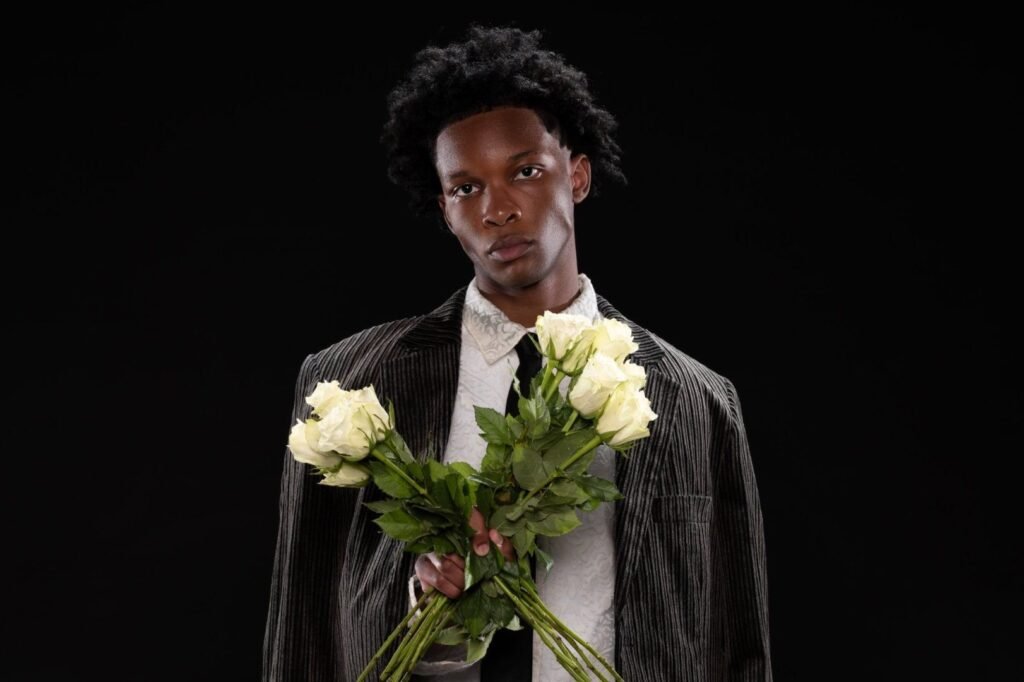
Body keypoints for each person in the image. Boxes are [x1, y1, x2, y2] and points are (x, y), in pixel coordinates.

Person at [262, 23, 772, 682]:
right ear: (445, 210)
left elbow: (738, 648)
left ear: (577, 176)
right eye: (465, 188)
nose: (497, 209)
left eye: (525, 171)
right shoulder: (350, 387)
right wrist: (425, 600)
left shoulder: (696, 399)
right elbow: (301, 632)